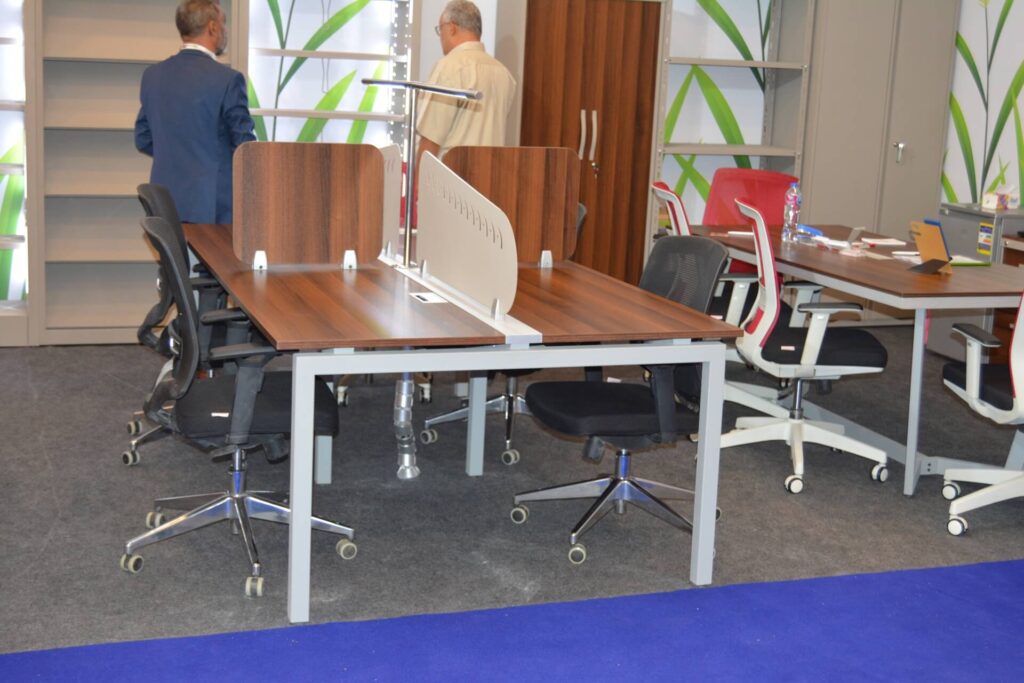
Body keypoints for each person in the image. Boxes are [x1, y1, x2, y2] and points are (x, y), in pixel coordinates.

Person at [134, 0, 255, 224]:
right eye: (223, 23)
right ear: (212, 27)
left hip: (164, 208)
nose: (225, 30)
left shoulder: (152, 76)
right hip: (213, 211)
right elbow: (245, 149)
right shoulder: (228, 80)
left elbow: (143, 139)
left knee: (174, 250)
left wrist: (179, 156)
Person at [416, 0, 516, 164]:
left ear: (451, 28)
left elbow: (431, 138)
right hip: (490, 173)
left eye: (440, 30)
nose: (440, 37)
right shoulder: (504, 74)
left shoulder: (449, 67)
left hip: (451, 173)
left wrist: (418, 177)